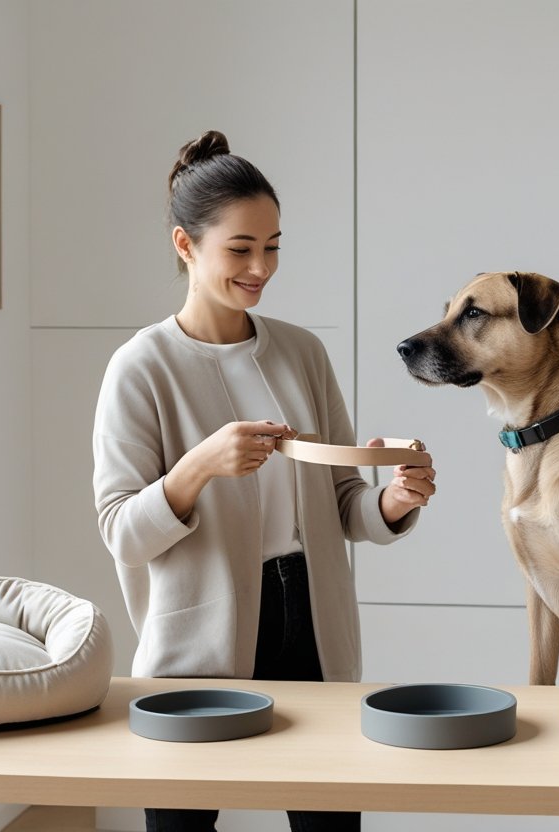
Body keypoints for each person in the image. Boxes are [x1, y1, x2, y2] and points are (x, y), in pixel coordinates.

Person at [92, 130, 436, 832]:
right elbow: (122, 533)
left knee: (330, 822)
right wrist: (200, 466)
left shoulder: (302, 353)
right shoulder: (140, 368)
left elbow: (345, 505)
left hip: (309, 616)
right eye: (240, 249)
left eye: (272, 245)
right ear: (186, 246)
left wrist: (395, 500)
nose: (261, 267)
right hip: (199, 639)